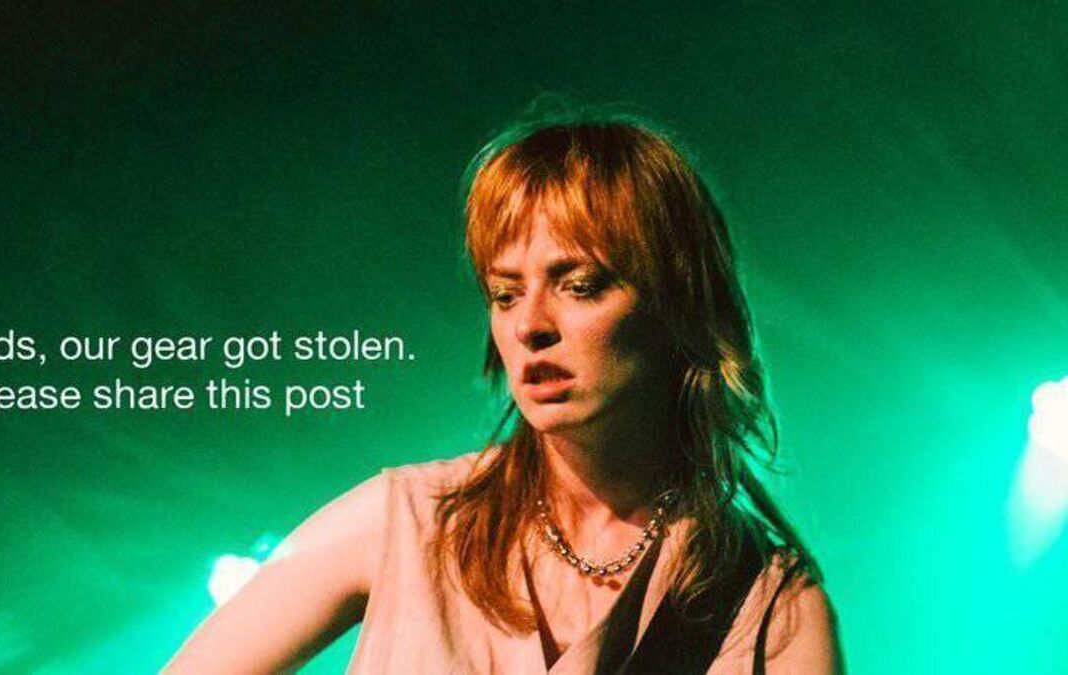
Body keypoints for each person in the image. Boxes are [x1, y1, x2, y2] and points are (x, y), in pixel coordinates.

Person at [165, 106, 843, 674]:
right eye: (505, 293)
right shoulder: (408, 521)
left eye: (580, 285)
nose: (530, 325)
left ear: (678, 303)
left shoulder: (767, 606)